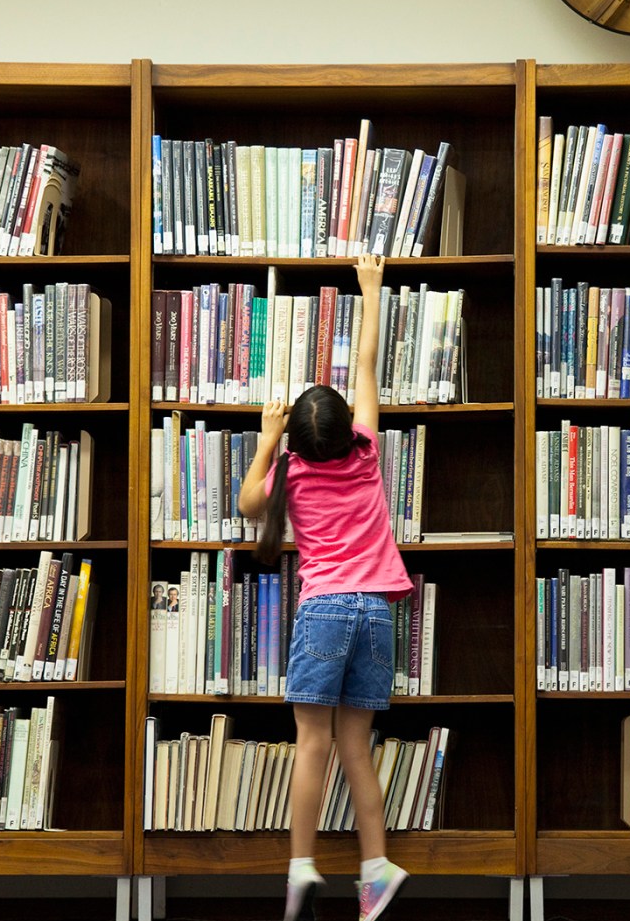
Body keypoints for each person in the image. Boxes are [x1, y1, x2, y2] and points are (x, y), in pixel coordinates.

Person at [237, 253, 411, 921]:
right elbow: (366, 366)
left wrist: (266, 439)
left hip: (326, 609)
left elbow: (250, 502)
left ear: (301, 443)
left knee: (312, 742)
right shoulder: (366, 451)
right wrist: (372, 290)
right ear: (345, 430)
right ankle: (374, 867)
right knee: (354, 745)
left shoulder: (290, 475)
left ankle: (303, 864)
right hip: (377, 612)